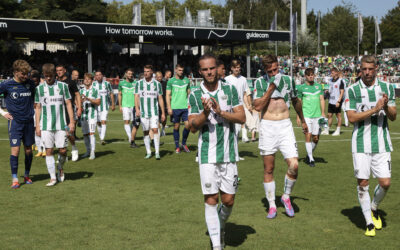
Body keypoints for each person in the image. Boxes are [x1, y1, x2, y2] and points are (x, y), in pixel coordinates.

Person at [188, 54, 245, 250]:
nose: (209, 72)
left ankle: (219, 227)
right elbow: (192, 126)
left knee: (228, 201)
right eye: (205, 69)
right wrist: (205, 113)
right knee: (211, 199)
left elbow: (242, 117)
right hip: (207, 155)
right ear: (200, 72)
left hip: (229, 154)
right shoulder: (195, 94)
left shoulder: (229, 89)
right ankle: (216, 245)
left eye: (212, 68)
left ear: (218, 68)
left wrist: (221, 112)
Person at [345, 55, 396, 237]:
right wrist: (375, 109)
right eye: (364, 69)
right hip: (360, 144)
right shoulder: (352, 90)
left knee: (386, 183)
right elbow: (351, 118)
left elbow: (393, 116)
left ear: (376, 69)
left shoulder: (387, 87)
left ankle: (374, 207)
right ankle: (368, 223)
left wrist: (386, 105)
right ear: (360, 69)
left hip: (382, 143)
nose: (367, 72)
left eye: (370, 69)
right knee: (363, 184)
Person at [253, 55, 308, 219]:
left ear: (279, 67)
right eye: (270, 71)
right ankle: (271, 205)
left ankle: (286, 196)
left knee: (294, 165)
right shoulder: (260, 82)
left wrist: (303, 120)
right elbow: (257, 106)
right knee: (269, 168)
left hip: (285, 126)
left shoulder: (288, 80)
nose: (273, 73)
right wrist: (270, 88)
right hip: (268, 127)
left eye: (275, 69)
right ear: (265, 70)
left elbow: (295, 101)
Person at [35, 63, 75, 186]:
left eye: (50, 76)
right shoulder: (39, 88)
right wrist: (37, 125)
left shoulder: (63, 86)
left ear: (55, 74)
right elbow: (38, 107)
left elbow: (68, 103)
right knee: (49, 151)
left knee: (62, 151)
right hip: (46, 125)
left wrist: (72, 121)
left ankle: (60, 168)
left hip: (61, 124)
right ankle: (52, 178)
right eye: (46, 76)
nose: (48, 78)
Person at [0, 60, 36, 188]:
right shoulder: (6, 85)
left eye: (27, 73)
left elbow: (35, 100)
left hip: (29, 122)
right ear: (15, 72)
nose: (26, 76)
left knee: (28, 150)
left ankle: (27, 175)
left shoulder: (30, 84)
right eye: (23, 74)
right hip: (15, 123)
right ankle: (14, 178)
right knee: (15, 151)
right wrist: (2, 113)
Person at [296, 68, 325, 167]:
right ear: (305, 76)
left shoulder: (319, 87)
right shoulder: (301, 88)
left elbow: (322, 100)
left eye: (312, 75)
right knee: (308, 135)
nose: (311, 76)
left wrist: (323, 113)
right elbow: (298, 103)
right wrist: (298, 117)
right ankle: (311, 159)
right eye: (309, 75)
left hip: (318, 115)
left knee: (316, 138)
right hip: (306, 116)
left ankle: (309, 155)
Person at [135, 65, 165, 160]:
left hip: (154, 112)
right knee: (145, 131)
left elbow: (160, 98)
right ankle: (148, 152)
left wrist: (163, 113)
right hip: (143, 112)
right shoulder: (139, 83)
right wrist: (137, 109)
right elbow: (136, 96)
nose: (146, 73)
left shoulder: (157, 84)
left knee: (155, 130)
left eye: (148, 71)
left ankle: (157, 152)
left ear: (152, 72)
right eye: (144, 71)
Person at [56, 64, 81, 161]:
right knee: (59, 133)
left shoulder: (71, 82)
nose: (59, 72)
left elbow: (77, 94)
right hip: (58, 110)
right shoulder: (55, 83)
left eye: (60, 70)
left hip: (69, 109)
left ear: (65, 70)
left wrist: (79, 107)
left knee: (69, 132)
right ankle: (63, 154)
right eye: (57, 70)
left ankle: (74, 148)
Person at [166, 64, 191, 153]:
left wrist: (190, 105)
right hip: (175, 107)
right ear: (175, 70)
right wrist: (169, 108)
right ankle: (177, 146)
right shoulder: (171, 81)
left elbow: (189, 93)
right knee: (176, 127)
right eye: (179, 70)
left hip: (185, 107)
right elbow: (168, 95)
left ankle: (183, 143)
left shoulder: (186, 80)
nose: (181, 72)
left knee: (188, 125)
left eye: (182, 70)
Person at [225, 59, 251, 143]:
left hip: (240, 106)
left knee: (238, 129)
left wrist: (248, 105)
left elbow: (245, 94)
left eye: (238, 67)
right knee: (231, 131)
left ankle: (235, 153)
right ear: (232, 68)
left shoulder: (243, 79)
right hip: (230, 107)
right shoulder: (227, 79)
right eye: (235, 67)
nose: (237, 69)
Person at [80, 73, 100, 159]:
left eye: (89, 79)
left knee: (91, 133)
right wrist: (80, 101)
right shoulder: (81, 91)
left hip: (92, 115)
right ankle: (87, 151)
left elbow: (98, 102)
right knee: (85, 134)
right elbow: (77, 103)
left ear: (92, 81)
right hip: (83, 115)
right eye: (85, 79)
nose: (87, 80)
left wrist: (89, 99)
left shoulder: (95, 90)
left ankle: (92, 152)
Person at [93, 70, 115, 145]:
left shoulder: (107, 83)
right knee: (98, 123)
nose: (98, 76)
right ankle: (101, 137)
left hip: (105, 106)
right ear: (95, 77)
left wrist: (113, 104)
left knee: (103, 121)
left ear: (102, 76)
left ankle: (102, 138)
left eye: (100, 74)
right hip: (96, 107)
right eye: (97, 75)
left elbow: (111, 93)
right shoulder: (93, 84)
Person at [118, 68, 139, 148]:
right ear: (126, 74)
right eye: (129, 74)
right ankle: (130, 137)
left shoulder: (135, 83)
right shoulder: (121, 83)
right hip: (125, 105)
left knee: (133, 122)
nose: (130, 75)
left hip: (134, 105)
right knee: (126, 121)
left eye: (131, 74)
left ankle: (131, 136)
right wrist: (120, 105)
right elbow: (119, 94)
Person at [323, 67, 345, 136]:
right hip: (331, 101)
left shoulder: (340, 81)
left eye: (332, 73)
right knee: (329, 115)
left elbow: (342, 92)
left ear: (336, 73)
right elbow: (330, 90)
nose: (331, 74)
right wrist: (327, 91)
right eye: (331, 73)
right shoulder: (330, 81)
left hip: (337, 101)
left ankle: (338, 130)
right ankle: (327, 130)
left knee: (338, 115)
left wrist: (339, 101)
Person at [30, 70, 45, 157]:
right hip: (34, 111)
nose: (34, 82)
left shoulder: (42, 87)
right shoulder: (30, 87)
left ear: (39, 79)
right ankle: (39, 149)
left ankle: (45, 149)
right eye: (33, 80)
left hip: (42, 111)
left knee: (43, 130)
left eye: (36, 80)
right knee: (36, 130)